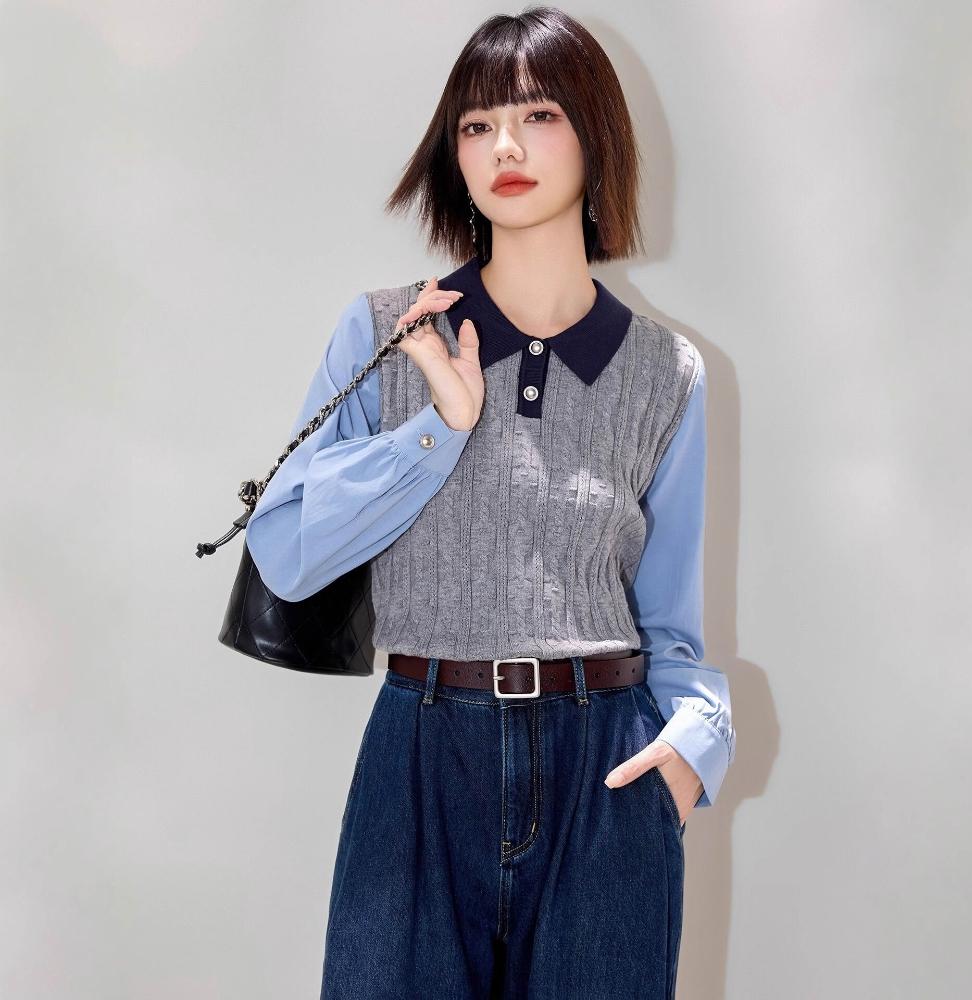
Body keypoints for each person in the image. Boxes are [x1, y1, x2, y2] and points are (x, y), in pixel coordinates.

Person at [244, 7, 735, 998]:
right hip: (420, 761)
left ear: (595, 137)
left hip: (606, 770)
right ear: (454, 154)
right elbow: (287, 553)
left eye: (538, 115)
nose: (504, 146)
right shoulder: (387, 332)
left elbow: (673, 629)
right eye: (477, 124)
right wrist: (439, 426)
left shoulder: (666, 372)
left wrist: (695, 746)